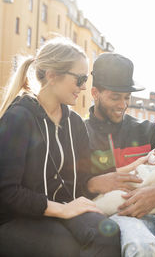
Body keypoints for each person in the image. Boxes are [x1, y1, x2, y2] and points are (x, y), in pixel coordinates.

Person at [0, 38, 121, 257]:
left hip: (64, 211)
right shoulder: (18, 118)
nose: (84, 87)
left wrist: (119, 177)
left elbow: (83, 179)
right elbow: (7, 192)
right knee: (65, 247)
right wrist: (63, 209)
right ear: (52, 75)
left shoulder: (75, 124)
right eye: (80, 79)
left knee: (108, 232)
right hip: (17, 218)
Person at [85, 52, 155, 257]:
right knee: (143, 249)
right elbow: (70, 187)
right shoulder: (79, 134)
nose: (123, 105)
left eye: (127, 98)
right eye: (115, 97)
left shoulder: (148, 130)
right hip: (120, 221)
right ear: (95, 93)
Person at [93, 136, 155, 216]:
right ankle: (94, 208)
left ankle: (95, 208)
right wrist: (133, 167)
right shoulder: (84, 134)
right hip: (125, 208)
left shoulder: (150, 130)